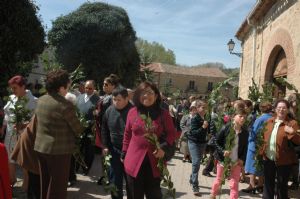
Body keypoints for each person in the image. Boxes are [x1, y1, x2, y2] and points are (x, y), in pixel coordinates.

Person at [122, 81, 176, 199]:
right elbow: (127, 134)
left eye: (150, 92)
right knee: (134, 195)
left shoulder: (164, 114)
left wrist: (163, 147)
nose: (146, 95)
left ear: (156, 96)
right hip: (134, 162)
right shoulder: (132, 112)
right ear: (138, 95)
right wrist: (124, 153)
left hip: (154, 163)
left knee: (154, 195)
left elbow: (172, 134)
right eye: (143, 92)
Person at [34, 69, 82, 199]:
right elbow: (78, 129)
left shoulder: (41, 99)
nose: (69, 88)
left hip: (41, 148)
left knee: (46, 183)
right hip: (58, 152)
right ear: (61, 88)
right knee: (57, 188)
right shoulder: (65, 105)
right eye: (68, 85)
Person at [2, 75, 37, 189]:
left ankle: (25, 186)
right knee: (10, 158)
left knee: (24, 160)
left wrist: (25, 125)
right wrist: (3, 127)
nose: (13, 90)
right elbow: (7, 115)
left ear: (23, 86)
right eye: (11, 88)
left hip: (24, 135)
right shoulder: (12, 98)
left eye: (15, 88)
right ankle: (11, 180)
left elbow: (36, 120)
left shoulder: (34, 101)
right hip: (10, 134)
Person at [261, 99, 300, 199]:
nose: (281, 110)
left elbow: (298, 141)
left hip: (284, 161)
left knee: (282, 187)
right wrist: (261, 151)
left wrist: (292, 132)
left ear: (287, 110)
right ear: (275, 109)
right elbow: (262, 137)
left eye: (284, 108)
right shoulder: (269, 121)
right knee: (268, 185)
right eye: (279, 108)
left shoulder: (292, 123)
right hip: (268, 158)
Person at [210, 108, 248, 199]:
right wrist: (223, 151)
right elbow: (216, 141)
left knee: (234, 183)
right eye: (240, 116)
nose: (243, 119)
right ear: (233, 117)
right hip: (223, 160)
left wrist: (242, 158)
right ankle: (213, 194)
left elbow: (245, 148)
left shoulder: (245, 132)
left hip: (236, 161)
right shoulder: (226, 128)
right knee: (219, 180)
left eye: (245, 117)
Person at [101, 87, 133, 199]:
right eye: (114, 99)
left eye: (118, 100)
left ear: (126, 99)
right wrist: (105, 145)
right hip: (114, 151)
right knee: (114, 181)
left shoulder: (134, 112)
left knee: (131, 183)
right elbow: (104, 128)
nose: (116, 102)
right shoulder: (109, 110)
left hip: (130, 153)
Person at [95, 74, 121, 185]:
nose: (103, 86)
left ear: (113, 86)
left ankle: (109, 177)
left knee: (107, 153)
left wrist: (98, 113)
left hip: (108, 130)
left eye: (106, 84)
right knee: (104, 153)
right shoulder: (106, 96)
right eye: (103, 84)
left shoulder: (113, 98)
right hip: (102, 129)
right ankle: (106, 175)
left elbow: (112, 114)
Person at [242, 102, 273, 194]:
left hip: (255, 145)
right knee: (261, 165)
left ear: (260, 109)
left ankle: (251, 185)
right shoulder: (272, 118)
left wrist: (249, 139)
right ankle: (260, 185)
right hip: (265, 145)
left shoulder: (260, 119)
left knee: (252, 166)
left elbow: (254, 132)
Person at [76, 80, 100, 175]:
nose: (88, 90)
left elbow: (98, 116)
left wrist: (91, 122)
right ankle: (76, 167)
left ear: (94, 88)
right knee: (78, 148)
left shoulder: (98, 100)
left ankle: (86, 168)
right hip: (79, 128)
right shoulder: (79, 97)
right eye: (86, 88)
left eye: (90, 88)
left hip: (90, 130)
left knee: (89, 150)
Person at [186, 100, 209, 196]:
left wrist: (210, 132)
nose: (204, 109)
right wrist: (203, 128)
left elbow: (209, 128)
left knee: (198, 162)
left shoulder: (206, 117)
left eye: (205, 108)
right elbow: (193, 132)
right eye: (202, 107)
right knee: (195, 162)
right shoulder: (195, 118)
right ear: (197, 108)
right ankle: (195, 185)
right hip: (193, 142)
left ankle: (192, 178)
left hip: (202, 143)